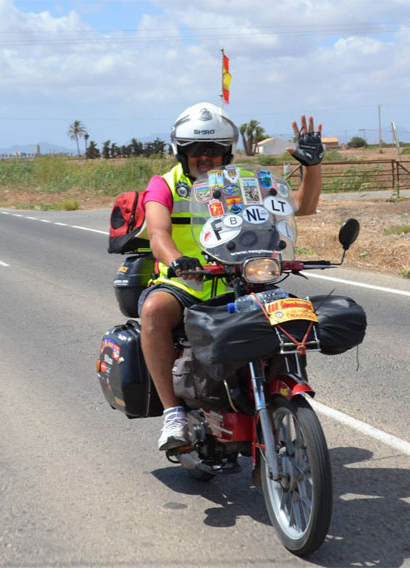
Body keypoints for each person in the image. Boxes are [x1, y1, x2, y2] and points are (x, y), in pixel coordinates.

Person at [137, 102, 325, 451]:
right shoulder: (164, 185)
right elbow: (158, 233)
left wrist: (311, 167)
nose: (204, 157)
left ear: (227, 152)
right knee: (153, 311)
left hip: (241, 276)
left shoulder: (246, 182)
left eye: (213, 149)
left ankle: (280, 391)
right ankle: (173, 414)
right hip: (187, 281)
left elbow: (302, 206)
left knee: (288, 313)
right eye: (195, 149)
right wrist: (178, 262)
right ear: (182, 152)